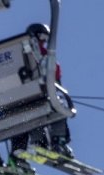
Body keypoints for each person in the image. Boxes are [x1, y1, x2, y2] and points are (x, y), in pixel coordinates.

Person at [26, 23, 74, 159]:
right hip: (38, 93)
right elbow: (55, 73)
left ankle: (42, 142)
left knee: (41, 110)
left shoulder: (43, 55)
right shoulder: (36, 53)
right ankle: (57, 141)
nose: (44, 41)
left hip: (34, 95)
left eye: (45, 38)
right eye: (41, 37)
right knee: (56, 108)